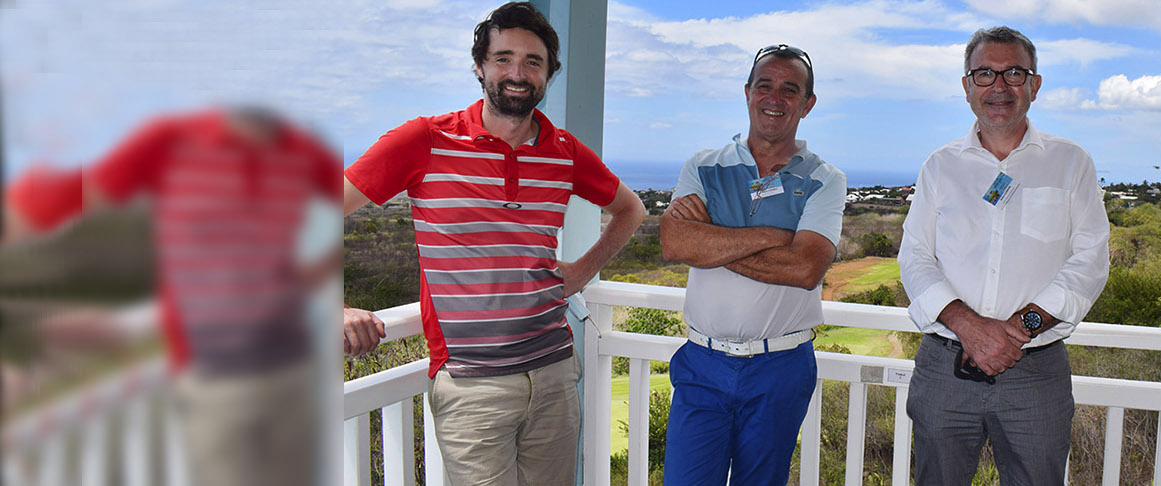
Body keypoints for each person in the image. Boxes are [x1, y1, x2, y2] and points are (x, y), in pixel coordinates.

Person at [341, 2, 646, 484]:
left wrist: (583, 270)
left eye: (533, 61)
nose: (517, 73)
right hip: (470, 385)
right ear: (480, 66)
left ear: (550, 74)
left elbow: (632, 210)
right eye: (503, 58)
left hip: (554, 371)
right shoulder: (425, 139)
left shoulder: (563, 151)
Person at [3, 106, 340, 486]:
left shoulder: (309, 153)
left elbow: (321, 246)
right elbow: (65, 197)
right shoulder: (171, 141)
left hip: (296, 376)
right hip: (214, 378)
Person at [897, 26, 1110, 484]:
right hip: (944, 368)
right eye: (984, 74)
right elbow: (915, 257)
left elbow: (1090, 260)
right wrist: (970, 327)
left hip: (1035, 370)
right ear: (966, 87)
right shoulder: (940, 166)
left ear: (1034, 84)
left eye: (1014, 73)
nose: (999, 86)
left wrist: (1018, 329)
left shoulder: (1072, 163)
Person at [659, 43, 845, 485]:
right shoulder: (703, 166)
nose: (774, 98)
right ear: (747, 93)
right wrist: (774, 237)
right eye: (765, 86)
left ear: (808, 103)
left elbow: (805, 270)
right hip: (703, 362)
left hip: (780, 366)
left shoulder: (825, 179)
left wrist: (713, 241)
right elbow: (674, 242)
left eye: (790, 89)